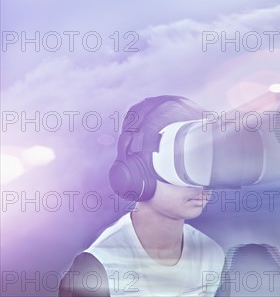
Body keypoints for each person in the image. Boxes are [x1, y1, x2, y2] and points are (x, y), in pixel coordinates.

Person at [59, 96, 225, 297]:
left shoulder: (212, 255)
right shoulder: (96, 270)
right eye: (184, 164)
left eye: (209, 164)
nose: (203, 183)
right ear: (138, 170)